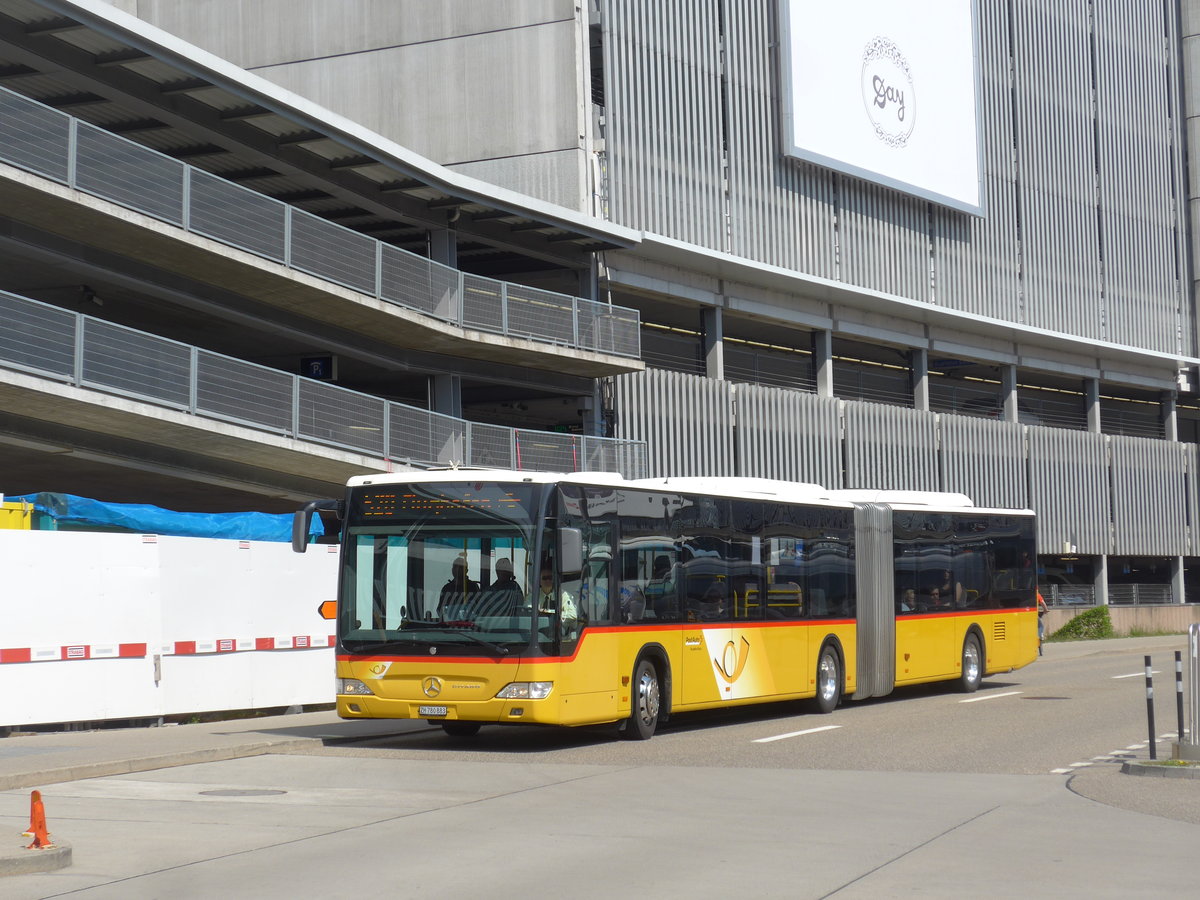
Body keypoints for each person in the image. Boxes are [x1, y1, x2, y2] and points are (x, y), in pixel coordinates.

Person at [1037, 589, 1048, 655]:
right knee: (1041, 626)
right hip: (1033, 615)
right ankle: (1040, 636)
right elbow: (1043, 603)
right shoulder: (1037, 595)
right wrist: (1046, 610)